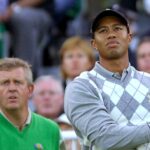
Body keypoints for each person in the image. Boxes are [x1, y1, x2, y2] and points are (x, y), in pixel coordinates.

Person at [64, 8, 150, 150]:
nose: (111, 34)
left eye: (117, 28)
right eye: (103, 30)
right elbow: (105, 139)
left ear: (129, 37)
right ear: (94, 44)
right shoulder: (82, 86)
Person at [0, 58, 65, 150]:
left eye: (18, 82)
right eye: (5, 83)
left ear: (30, 90)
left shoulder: (51, 129)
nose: (12, 88)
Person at [0, 0, 53, 76]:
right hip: (6, 13)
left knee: (22, 18)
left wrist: (14, 7)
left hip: (34, 10)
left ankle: (24, 75)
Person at [32, 75, 81, 150]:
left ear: (62, 97)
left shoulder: (77, 126)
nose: (46, 98)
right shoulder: (22, 125)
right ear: (33, 99)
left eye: (52, 93)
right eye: (41, 93)